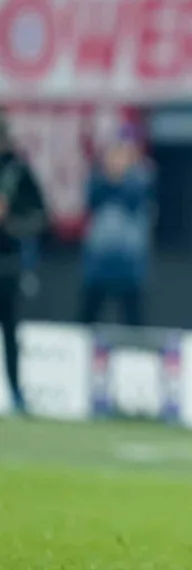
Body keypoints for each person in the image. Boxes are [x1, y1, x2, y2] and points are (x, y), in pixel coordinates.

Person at [80, 128, 154, 326]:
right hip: (99, 260)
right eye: (115, 153)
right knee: (88, 314)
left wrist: (120, 176)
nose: (118, 159)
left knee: (133, 317)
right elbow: (91, 199)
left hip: (129, 262)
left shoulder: (142, 177)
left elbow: (134, 197)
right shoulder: (98, 179)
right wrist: (108, 175)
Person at [0, 116, 46, 415]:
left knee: (9, 332)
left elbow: (40, 219)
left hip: (7, 264)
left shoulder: (18, 172)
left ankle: (16, 393)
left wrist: (9, 222)